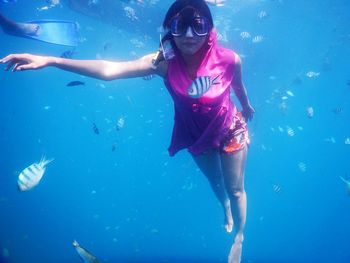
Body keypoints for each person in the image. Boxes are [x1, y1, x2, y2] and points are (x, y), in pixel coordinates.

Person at [0, 0, 254, 262]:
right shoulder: (162, 63)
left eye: (198, 26)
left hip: (229, 129)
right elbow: (110, 70)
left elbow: (238, 87)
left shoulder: (229, 59)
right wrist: (50, 60)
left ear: (209, 28)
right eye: (180, 26)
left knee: (236, 189)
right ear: (170, 29)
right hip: (195, 134)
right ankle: (224, 206)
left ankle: (239, 235)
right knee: (215, 182)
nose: (189, 35)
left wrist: (246, 106)